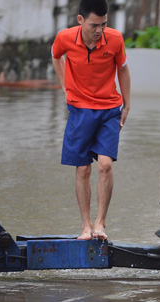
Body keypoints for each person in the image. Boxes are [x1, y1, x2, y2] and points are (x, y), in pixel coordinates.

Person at [51, 0, 131, 240]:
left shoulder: (115, 39)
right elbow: (56, 57)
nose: (99, 30)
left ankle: (100, 224)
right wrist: (65, 87)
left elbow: (123, 70)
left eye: (104, 24)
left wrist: (127, 105)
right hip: (80, 110)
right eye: (95, 25)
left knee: (105, 165)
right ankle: (86, 226)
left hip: (109, 108)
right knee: (83, 168)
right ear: (80, 20)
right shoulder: (65, 38)